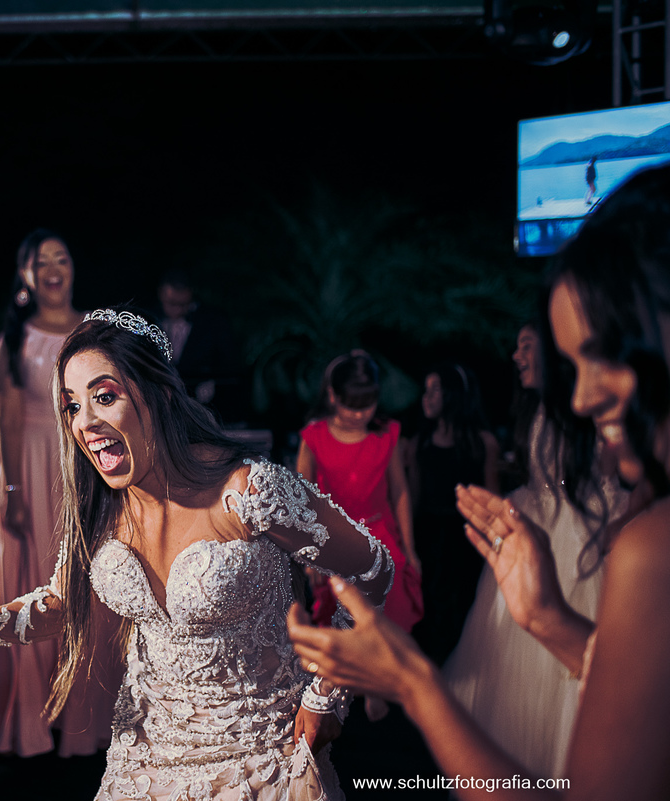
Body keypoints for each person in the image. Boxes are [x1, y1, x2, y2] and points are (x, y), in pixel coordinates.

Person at [287, 164, 670, 800]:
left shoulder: (652, 550)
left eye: (605, 354)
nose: (581, 398)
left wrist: (415, 684)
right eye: (571, 366)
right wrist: (549, 619)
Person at [0, 308, 396, 800]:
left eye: (105, 397)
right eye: (72, 406)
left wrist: (328, 695)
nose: (86, 422)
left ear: (159, 393)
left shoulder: (249, 491)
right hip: (142, 766)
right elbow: (61, 602)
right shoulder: (100, 512)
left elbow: (373, 569)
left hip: (263, 760)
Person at [0, 229, 119, 758]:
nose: (53, 269)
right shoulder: (13, 340)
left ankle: (87, 718)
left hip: (87, 468)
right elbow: (8, 425)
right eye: (41, 262)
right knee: (34, 587)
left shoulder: (95, 330)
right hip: (32, 473)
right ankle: (28, 719)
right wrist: (13, 490)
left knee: (96, 590)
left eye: (61, 258)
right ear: (26, 277)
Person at [441, 325, 623, 777]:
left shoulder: (590, 411)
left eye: (526, 344)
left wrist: (611, 525)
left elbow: (614, 479)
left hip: (579, 534)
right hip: (535, 520)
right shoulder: (539, 409)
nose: (516, 355)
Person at [297, 351, 423, 634]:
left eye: (367, 405)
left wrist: (410, 548)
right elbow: (303, 500)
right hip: (332, 541)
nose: (359, 414)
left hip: (382, 538)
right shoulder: (314, 437)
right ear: (332, 395)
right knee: (340, 624)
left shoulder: (386, 434)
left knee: (391, 622)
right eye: (350, 406)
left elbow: (400, 492)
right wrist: (309, 554)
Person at [406, 361, 499, 664]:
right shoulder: (419, 444)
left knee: (462, 613)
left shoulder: (482, 444)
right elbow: (414, 498)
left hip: (466, 540)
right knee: (429, 615)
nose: (427, 397)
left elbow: (492, 499)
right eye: (426, 390)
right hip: (429, 539)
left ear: (453, 394)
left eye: (435, 390)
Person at [155, 270, 244, 422]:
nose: (177, 309)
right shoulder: (150, 318)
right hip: (161, 405)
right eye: (171, 303)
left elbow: (229, 362)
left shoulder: (213, 320)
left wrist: (213, 382)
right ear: (161, 295)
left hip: (203, 406)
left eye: (183, 304)